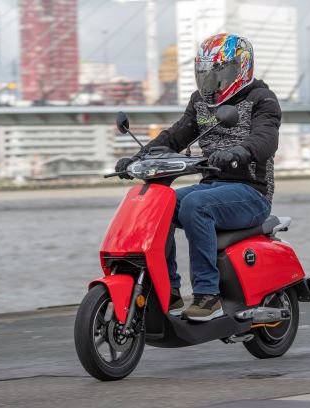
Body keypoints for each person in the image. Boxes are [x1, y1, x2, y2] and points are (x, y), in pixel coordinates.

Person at [115, 33, 281, 322]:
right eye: (206, 73)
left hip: (250, 192)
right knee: (159, 203)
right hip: (212, 187)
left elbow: (266, 138)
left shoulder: (261, 99)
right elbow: (175, 136)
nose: (212, 81)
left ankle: (207, 296)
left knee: (195, 206)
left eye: (219, 72)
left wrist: (240, 151)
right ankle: (169, 290)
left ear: (242, 68)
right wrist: (137, 158)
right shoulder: (200, 102)